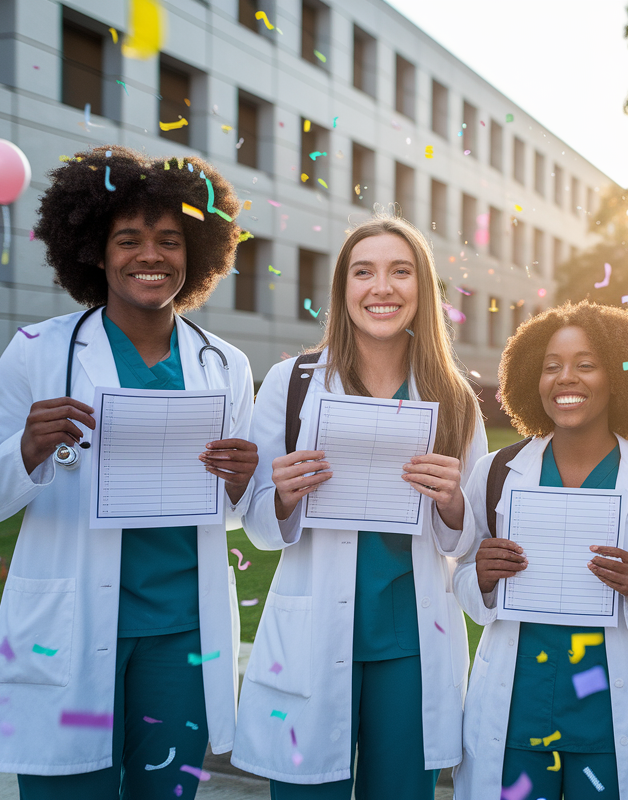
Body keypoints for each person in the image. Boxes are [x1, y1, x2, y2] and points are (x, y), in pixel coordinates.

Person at [0, 146, 257, 798]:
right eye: (129, 239)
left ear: (198, 254)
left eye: (170, 240)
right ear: (93, 249)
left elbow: (235, 514)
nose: (150, 255)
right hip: (65, 630)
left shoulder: (223, 365)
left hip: (180, 638)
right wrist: (26, 451)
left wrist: (241, 480)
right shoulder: (39, 351)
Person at [231, 216, 487, 798]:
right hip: (314, 632)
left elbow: (469, 541)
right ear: (342, 289)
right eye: (363, 272)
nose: (382, 287)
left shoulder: (453, 397)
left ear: (422, 288)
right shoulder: (291, 383)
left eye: (401, 271)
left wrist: (452, 503)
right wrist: (284, 495)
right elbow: (260, 527)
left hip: (412, 645)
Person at [451, 302, 628, 800]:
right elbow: (462, 581)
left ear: (618, 378)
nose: (567, 378)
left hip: (610, 719)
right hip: (516, 712)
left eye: (586, 364)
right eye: (551, 366)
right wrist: (480, 575)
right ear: (531, 379)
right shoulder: (497, 472)